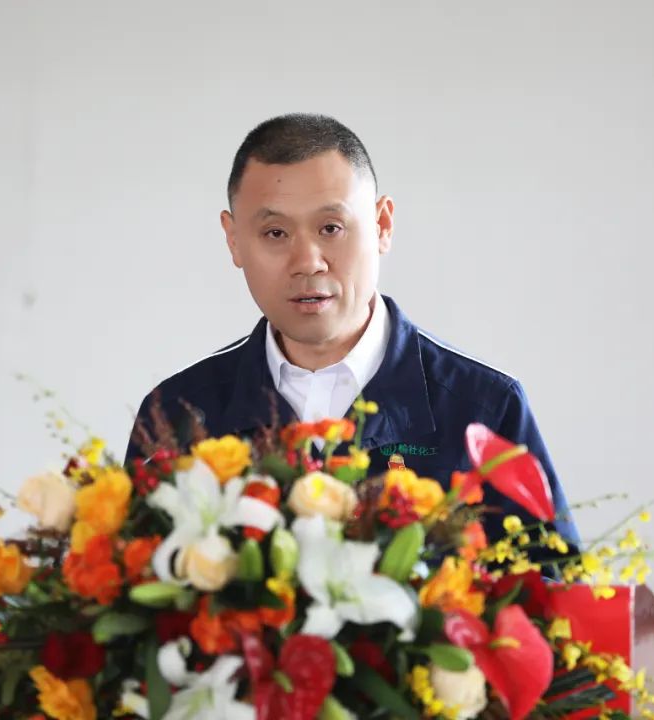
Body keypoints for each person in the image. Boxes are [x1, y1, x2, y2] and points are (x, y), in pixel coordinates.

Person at [124, 113, 579, 548]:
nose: (308, 262)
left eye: (331, 227)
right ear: (233, 239)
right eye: (275, 233)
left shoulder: (484, 408)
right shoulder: (179, 414)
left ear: (382, 226)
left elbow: (552, 590)